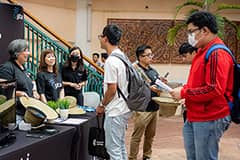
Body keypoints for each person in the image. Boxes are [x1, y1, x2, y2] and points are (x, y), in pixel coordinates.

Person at [170, 11, 233, 160]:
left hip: (210, 116)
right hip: (196, 114)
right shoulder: (202, 51)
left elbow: (214, 89)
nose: (189, 36)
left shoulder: (216, 53)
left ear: (205, 30)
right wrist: (188, 97)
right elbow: (199, 83)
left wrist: (185, 93)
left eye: (191, 32)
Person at [96, 24, 131, 160]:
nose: (100, 39)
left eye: (100, 36)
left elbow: (112, 89)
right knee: (120, 146)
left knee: (113, 149)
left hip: (115, 111)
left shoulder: (111, 61)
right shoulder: (123, 57)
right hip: (124, 108)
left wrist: (102, 105)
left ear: (105, 38)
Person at [129, 45, 161, 160]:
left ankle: (147, 156)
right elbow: (133, 88)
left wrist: (161, 82)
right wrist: (149, 88)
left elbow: (156, 83)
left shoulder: (153, 71)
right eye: (148, 55)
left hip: (154, 107)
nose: (151, 57)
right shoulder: (135, 70)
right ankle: (132, 157)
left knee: (150, 136)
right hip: (142, 109)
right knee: (137, 136)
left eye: (151, 54)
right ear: (140, 57)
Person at [0, 39, 39, 116]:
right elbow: (2, 89)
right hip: (15, 113)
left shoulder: (23, 68)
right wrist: (19, 93)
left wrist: (34, 91)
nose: (29, 53)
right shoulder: (7, 67)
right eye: (26, 50)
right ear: (17, 53)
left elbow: (31, 82)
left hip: (26, 111)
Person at [178, 42, 198, 122]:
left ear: (193, 53)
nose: (183, 59)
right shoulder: (194, 65)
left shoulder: (201, 65)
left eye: (185, 56)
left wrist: (186, 95)